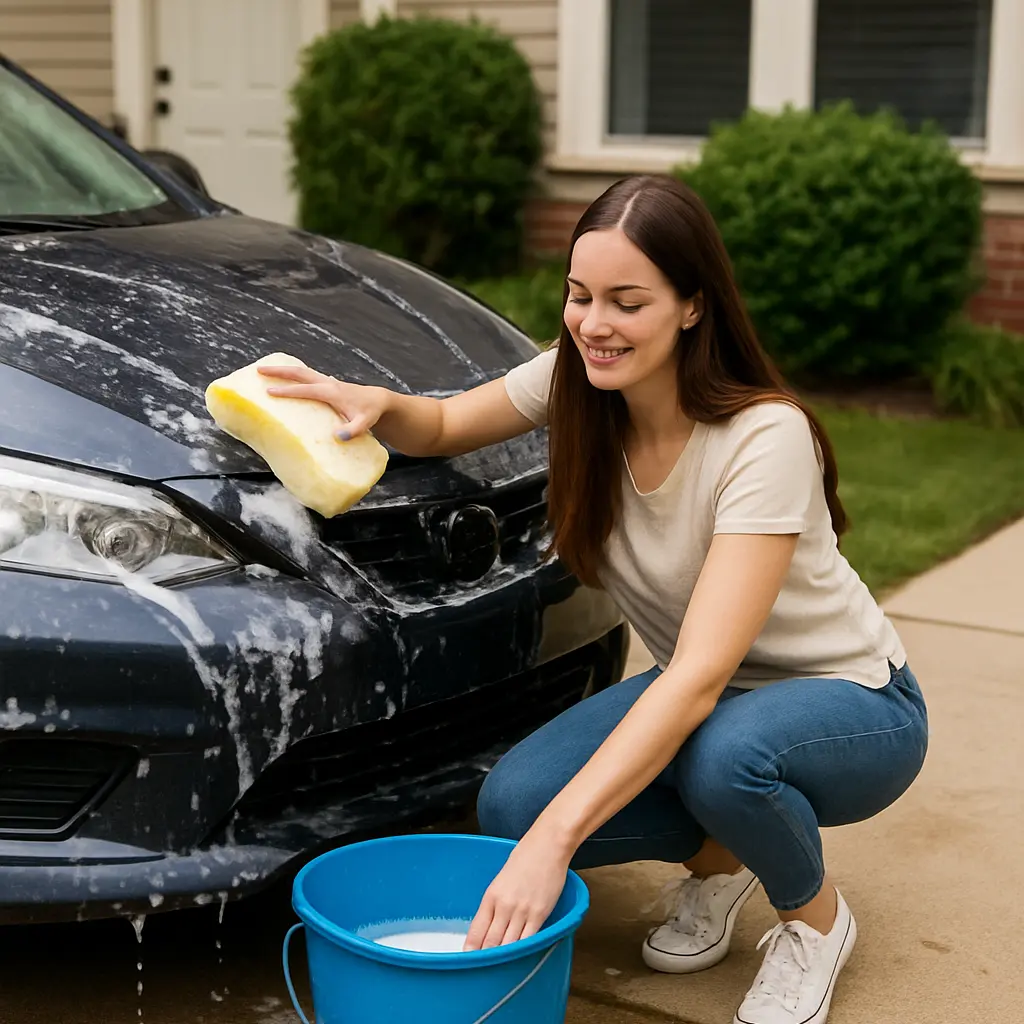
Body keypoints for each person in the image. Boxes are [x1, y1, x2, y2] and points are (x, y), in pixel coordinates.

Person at [259, 175, 928, 1024]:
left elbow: (694, 677)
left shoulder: (764, 438)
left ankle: (815, 923)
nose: (592, 324)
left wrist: (557, 846)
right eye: (578, 296)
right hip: (716, 696)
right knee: (512, 805)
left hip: (856, 704)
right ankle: (728, 859)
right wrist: (373, 403)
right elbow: (443, 425)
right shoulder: (578, 382)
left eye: (626, 301)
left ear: (691, 306)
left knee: (722, 763)